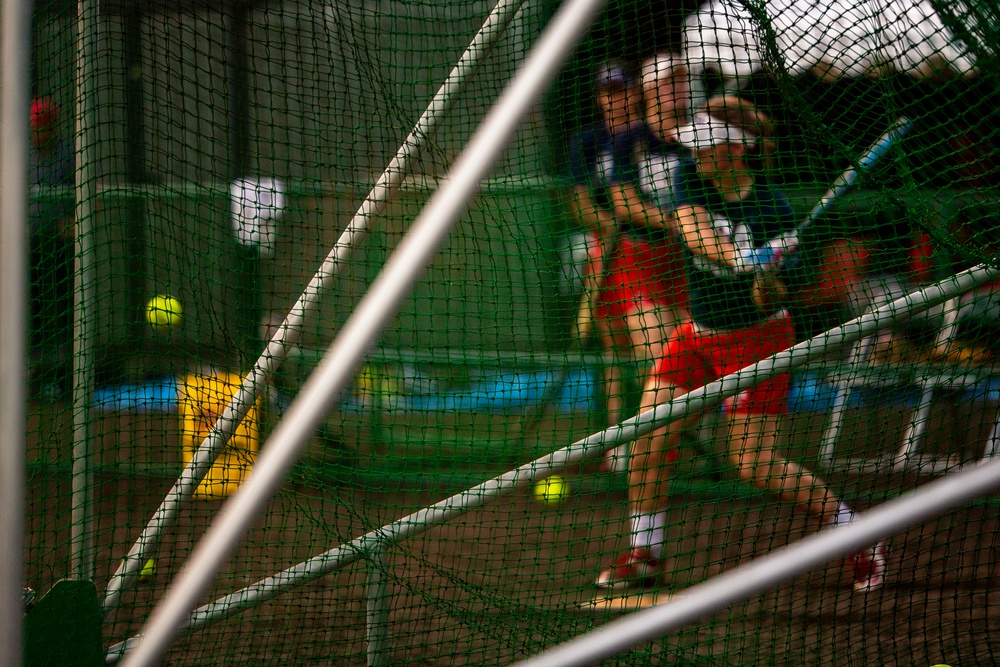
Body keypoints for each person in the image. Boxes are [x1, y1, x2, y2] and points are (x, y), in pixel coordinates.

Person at [595, 95, 888, 592]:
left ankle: (857, 532)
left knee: (754, 464)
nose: (698, 156)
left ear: (734, 151)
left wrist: (767, 275)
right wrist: (742, 257)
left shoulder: (771, 206)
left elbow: (770, 296)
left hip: (757, 340)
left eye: (708, 148)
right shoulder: (690, 179)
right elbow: (692, 232)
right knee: (647, 438)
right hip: (696, 334)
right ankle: (646, 553)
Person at [596, 52, 693, 471]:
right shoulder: (627, 141)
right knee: (657, 357)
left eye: (682, 81)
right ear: (650, 90)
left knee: (690, 360)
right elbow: (622, 201)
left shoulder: (699, 135)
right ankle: (635, 449)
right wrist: (675, 221)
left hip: (688, 263)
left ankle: (678, 449)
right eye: (669, 82)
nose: (677, 89)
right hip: (639, 259)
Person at [564, 61, 647, 445]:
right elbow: (578, 205)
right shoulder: (588, 141)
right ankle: (616, 441)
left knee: (654, 348)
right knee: (614, 349)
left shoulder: (652, 135)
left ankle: (665, 438)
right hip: (607, 251)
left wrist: (632, 216)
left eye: (621, 89)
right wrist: (612, 221)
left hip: (656, 250)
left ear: (636, 91)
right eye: (607, 91)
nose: (615, 98)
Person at [29, 96, 75, 400]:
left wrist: (71, 223)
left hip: (59, 248)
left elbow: (88, 197)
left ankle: (61, 377)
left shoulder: (68, 156)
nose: (39, 131)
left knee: (61, 311)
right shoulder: (21, 155)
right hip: (27, 248)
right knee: (30, 311)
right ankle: (32, 375)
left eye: (44, 125)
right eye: (35, 126)